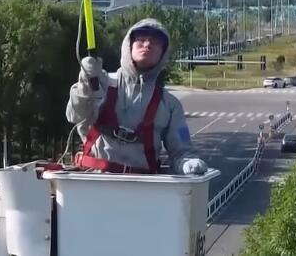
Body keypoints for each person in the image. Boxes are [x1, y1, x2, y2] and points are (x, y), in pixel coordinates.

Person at [66, 18, 208, 175]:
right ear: (129, 45)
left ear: (163, 52)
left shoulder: (170, 104)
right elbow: (74, 116)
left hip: (142, 184)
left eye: (155, 41)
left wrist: (187, 163)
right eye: (141, 38)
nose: (147, 44)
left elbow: (182, 145)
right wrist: (85, 84)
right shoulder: (101, 82)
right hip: (95, 179)